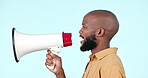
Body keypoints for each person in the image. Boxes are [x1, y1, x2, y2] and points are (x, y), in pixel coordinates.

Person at [45, 10, 126, 78]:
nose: (80, 31)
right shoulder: (95, 61)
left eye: (84, 26)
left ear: (99, 32)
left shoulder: (110, 65)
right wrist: (59, 73)